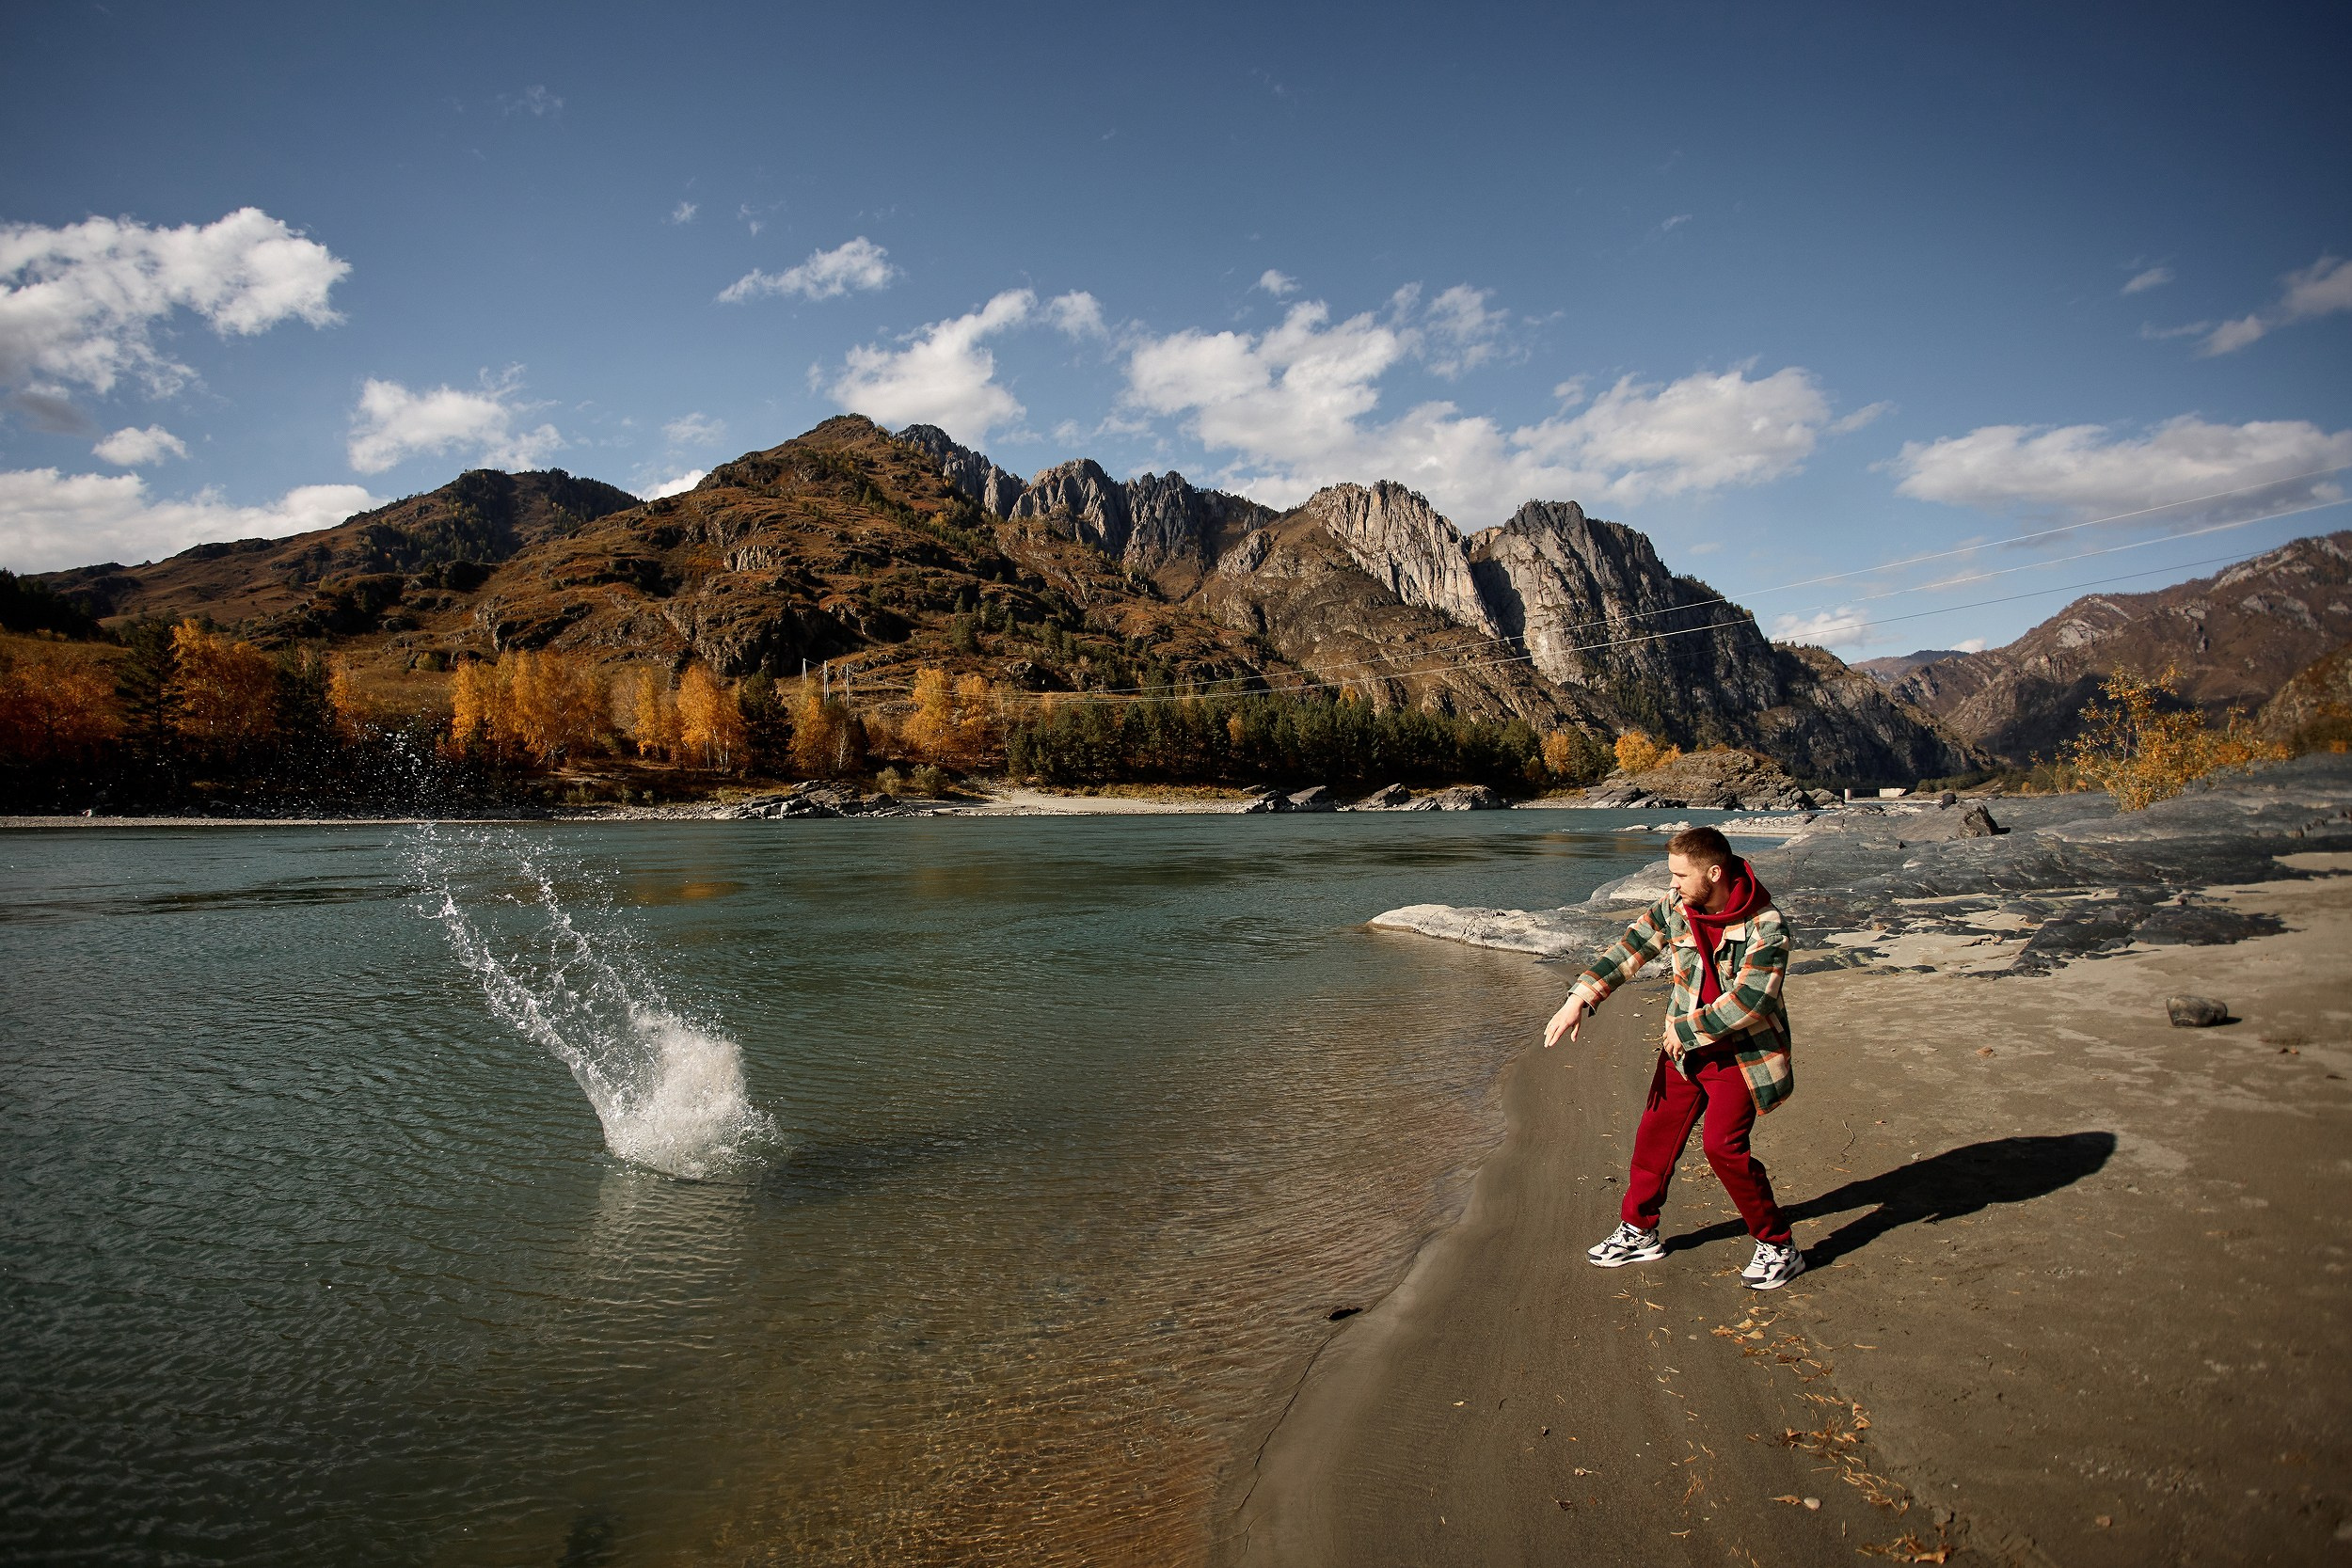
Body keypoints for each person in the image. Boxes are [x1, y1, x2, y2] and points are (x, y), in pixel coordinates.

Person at [1542, 825, 1804, 1290]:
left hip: (1741, 1055)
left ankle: (1778, 1245)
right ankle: (1639, 1231)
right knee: (1654, 1138)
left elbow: (1753, 1000)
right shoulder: (1677, 907)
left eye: (1680, 875)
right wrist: (1579, 999)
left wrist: (1685, 1029)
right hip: (1681, 1053)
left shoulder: (1766, 925)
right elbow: (1631, 947)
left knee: (1723, 1148)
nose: (1672, 884)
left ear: (1714, 873)